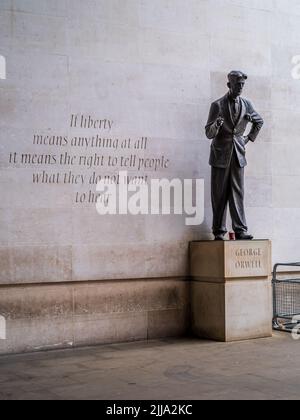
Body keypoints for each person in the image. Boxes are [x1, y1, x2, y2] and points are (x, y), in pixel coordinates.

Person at [205, 71, 264, 241]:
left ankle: (240, 230)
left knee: (238, 192)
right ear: (229, 85)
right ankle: (219, 231)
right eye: (237, 84)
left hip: (238, 154)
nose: (240, 87)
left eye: (242, 85)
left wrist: (247, 139)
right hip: (220, 155)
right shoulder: (217, 105)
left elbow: (259, 121)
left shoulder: (247, 104)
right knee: (219, 194)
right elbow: (208, 133)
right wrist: (216, 124)